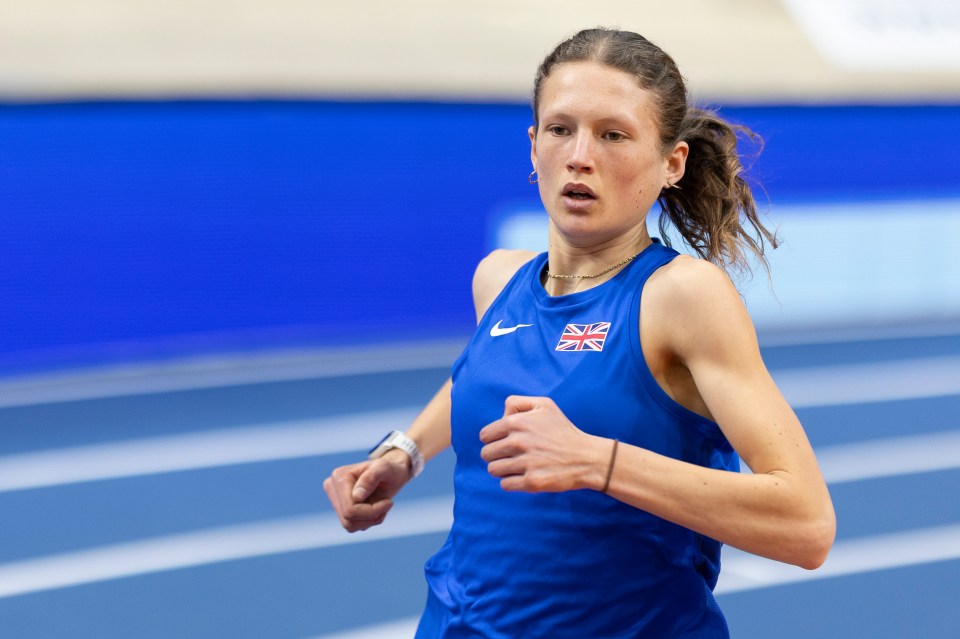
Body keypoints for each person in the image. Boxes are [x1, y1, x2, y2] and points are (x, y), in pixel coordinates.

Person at [324, 27, 836, 638]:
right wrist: (403, 453)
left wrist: (598, 461)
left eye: (613, 134)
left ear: (671, 163)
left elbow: (806, 527)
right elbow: (482, 375)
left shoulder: (680, 297)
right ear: (534, 145)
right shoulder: (499, 280)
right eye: (561, 129)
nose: (580, 156)